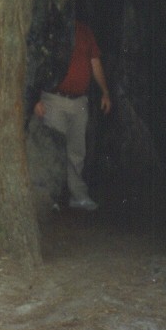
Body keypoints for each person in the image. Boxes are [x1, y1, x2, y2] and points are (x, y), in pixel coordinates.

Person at [33, 16, 111, 211]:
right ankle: (49, 196)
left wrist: (105, 92)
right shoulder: (51, 27)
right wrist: (35, 98)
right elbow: (37, 61)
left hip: (79, 102)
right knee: (53, 148)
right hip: (54, 99)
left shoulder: (85, 31)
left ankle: (78, 196)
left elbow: (95, 63)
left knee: (77, 151)